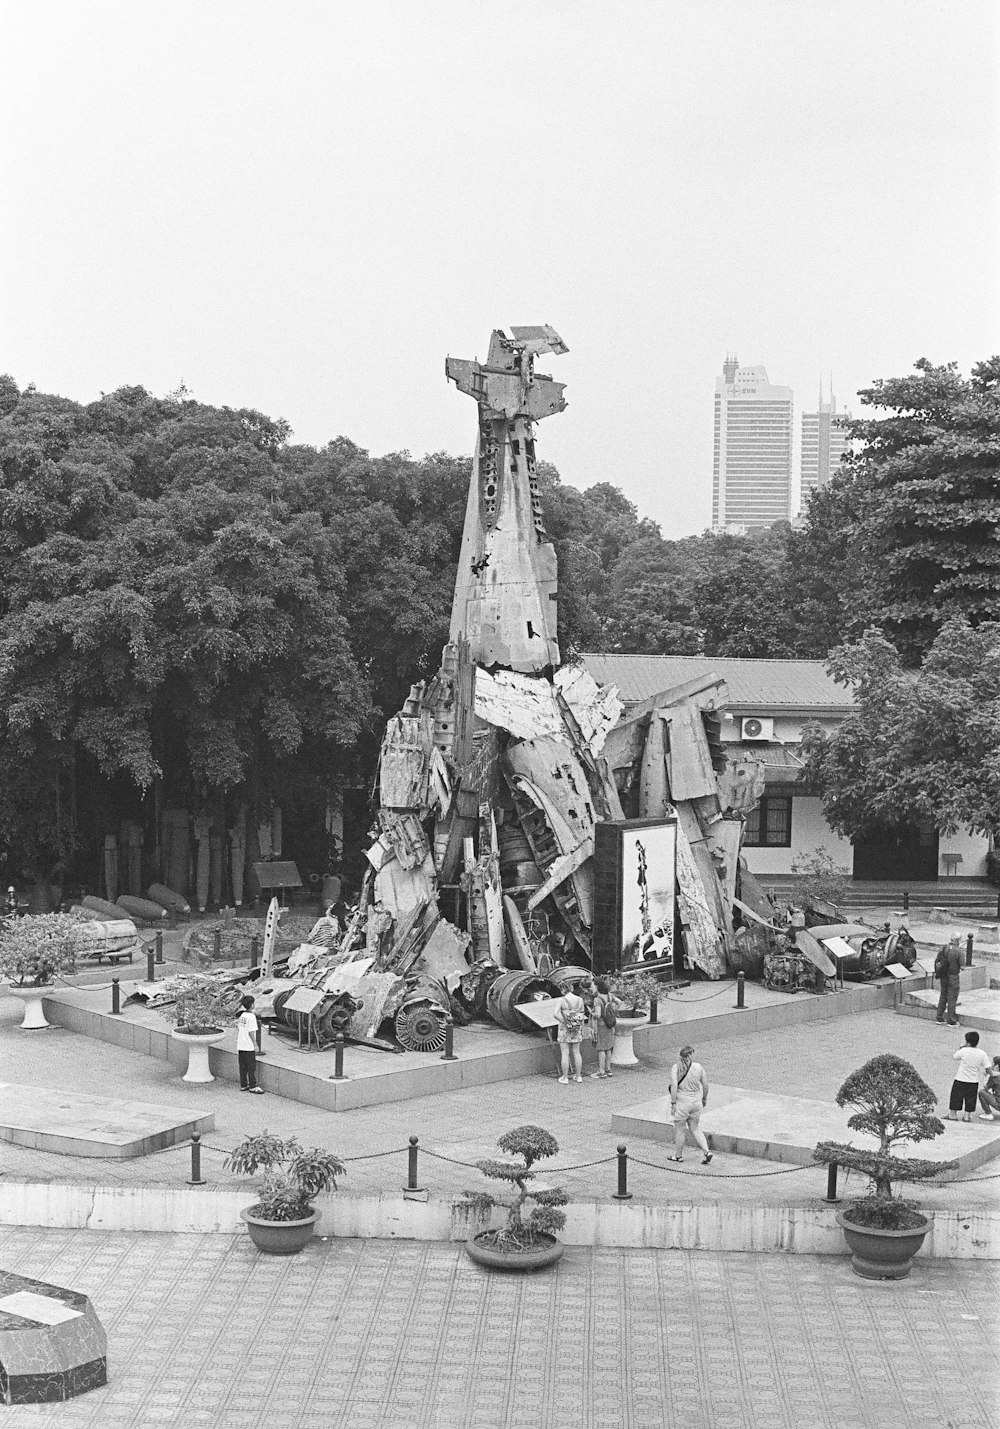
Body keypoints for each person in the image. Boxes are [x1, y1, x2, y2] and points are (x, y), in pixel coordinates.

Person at [668, 1044, 713, 1165]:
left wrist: (673, 1103)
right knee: (695, 1128)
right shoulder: (698, 1067)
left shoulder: (676, 1068)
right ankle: (706, 1151)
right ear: (691, 1054)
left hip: (682, 1103)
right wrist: (704, 1098)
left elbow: (674, 1086)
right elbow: (706, 1085)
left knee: (680, 1130)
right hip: (696, 1102)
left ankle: (678, 1155)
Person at [948, 1030, 991, 1121]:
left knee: (956, 1097)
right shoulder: (982, 1053)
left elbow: (955, 1057)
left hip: (960, 1078)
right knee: (970, 1099)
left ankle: (953, 1115)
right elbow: (988, 1068)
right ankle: (967, 1116)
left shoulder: (964, 1051)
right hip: (973, 1080)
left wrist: (962, 1047)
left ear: (967, 1041)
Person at [554, 986, 587, 1084]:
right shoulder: (579, 1000)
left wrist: (564, 1022)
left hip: (565, 1029)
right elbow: (582, 1014)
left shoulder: (561, 1000)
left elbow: (555, 1014)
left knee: (565, 1053)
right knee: (576, 1052)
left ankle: (565, 1077)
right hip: (577, 1028)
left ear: (563, 990)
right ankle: (578, 1076)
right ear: (572, 989)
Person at [589, 977, 616, 1080]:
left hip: (601, 1026)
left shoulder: (597, 999)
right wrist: (613, 1011)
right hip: (609, 1024)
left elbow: (598, 1014)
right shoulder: (609, 996)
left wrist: (591, 1012)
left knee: (601, 1049)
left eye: (592, 985)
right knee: (608, 1048)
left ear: (597, 986)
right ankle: (608, 1069)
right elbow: (619, 1001)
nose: (591, 987)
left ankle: (601, 1071)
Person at [237, 994, 264, 1094]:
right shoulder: (252, 1017)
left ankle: (243, 1084)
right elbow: (251, 1032)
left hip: (241, 1044)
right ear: (252, 1004)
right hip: (248, 1046)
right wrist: (255, 1044)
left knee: (242, 1066)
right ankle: (253, 1085)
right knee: (251, 1067)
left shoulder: (242, 1016)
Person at [935, 937, 961, 1024]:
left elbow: (938, 960)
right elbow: (963, 966)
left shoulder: (943, 948)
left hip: (943, 975)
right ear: (958, 940)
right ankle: (951, 1020)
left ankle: (939, 1017)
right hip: (953, 977)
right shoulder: (959, 951)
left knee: (943, 996)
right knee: (952, 998)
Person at [979, 1056, 1000, 1120]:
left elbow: (986, 1088)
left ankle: (988, 1113)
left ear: (997, 1066)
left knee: (981, 1092)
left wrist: (986, 1076)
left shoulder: (995, 1077)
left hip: (998, 1103)